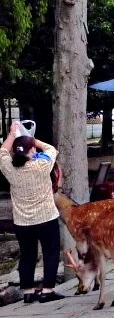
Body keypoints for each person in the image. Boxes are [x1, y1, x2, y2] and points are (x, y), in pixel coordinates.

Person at [0, 123, 64, 303]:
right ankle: (47, 291)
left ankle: (27, 291)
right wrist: (31, 139)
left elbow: (2, 152)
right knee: (50, 253)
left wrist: (13, 135)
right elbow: (51, 149)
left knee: (27, 255)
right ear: (33, 149)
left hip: (22, 221)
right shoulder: (42, 165)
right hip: (46, 217)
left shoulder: (9, 169)